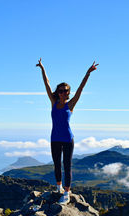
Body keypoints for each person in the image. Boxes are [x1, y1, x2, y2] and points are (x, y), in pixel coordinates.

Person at [36, 58, 98, 204]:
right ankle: (58, 188)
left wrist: (88, 73)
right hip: (55, 138)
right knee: (57, 164)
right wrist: (42, 68)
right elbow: (47, 83)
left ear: (69, 92)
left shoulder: (70, 104)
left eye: (66, 91)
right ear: (57, 92)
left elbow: (81, 89)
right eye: (61, 90)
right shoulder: (53, 102)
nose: (63, 92)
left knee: (67, 165)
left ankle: (67, 192)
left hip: (67, 139)